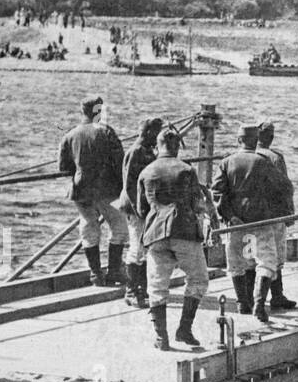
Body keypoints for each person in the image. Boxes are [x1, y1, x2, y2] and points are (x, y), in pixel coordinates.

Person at [137, 129, 219, 350]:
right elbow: (195, 203)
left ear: (158, 145)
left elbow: (140, 208)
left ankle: (161, 337)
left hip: (155, 233)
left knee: (156, 284)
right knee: (199, 279)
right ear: (176, 147)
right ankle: (184, 329)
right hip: (183, 231)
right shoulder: (186, 170)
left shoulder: (146, 171)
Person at [212, 123, 287, 323]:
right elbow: (283, 187)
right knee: (266, 262)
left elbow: (217, 192)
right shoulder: (263, 162)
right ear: (256, 140)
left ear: (239, 140)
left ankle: (242, 303)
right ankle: (259, 304)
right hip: (261, 221)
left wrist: (229, 215)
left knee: (238, 263)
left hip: (236, 223)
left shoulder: (227, 162)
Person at [59, 96, 128, 288]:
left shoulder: (70, 135)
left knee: (88, 227)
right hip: (107, 190)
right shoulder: (106, 131)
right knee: (119, 226)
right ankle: (114, 270)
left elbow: (64, 168)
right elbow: (120, 162)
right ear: (98, 111)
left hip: (81, 191)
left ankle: (96, 274)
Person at [119, 116, 163, 308]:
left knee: (145, 249)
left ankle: (141, 289)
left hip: (145, 208)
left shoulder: (147, 151)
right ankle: (131, 291)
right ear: (148, 133)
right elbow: (129, 184)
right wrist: (139, 209)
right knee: (136, 249)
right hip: (136, 207)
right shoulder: (136, 152)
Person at [255, 122, 298, 313]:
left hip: (251, 215)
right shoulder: (275, 158)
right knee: (276, 256)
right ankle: (276, 295)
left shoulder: (243, 155)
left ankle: (249, 298)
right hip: (274, 214)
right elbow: (285, 188)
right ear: (270, 137)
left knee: (253, 256)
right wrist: (290, 212)